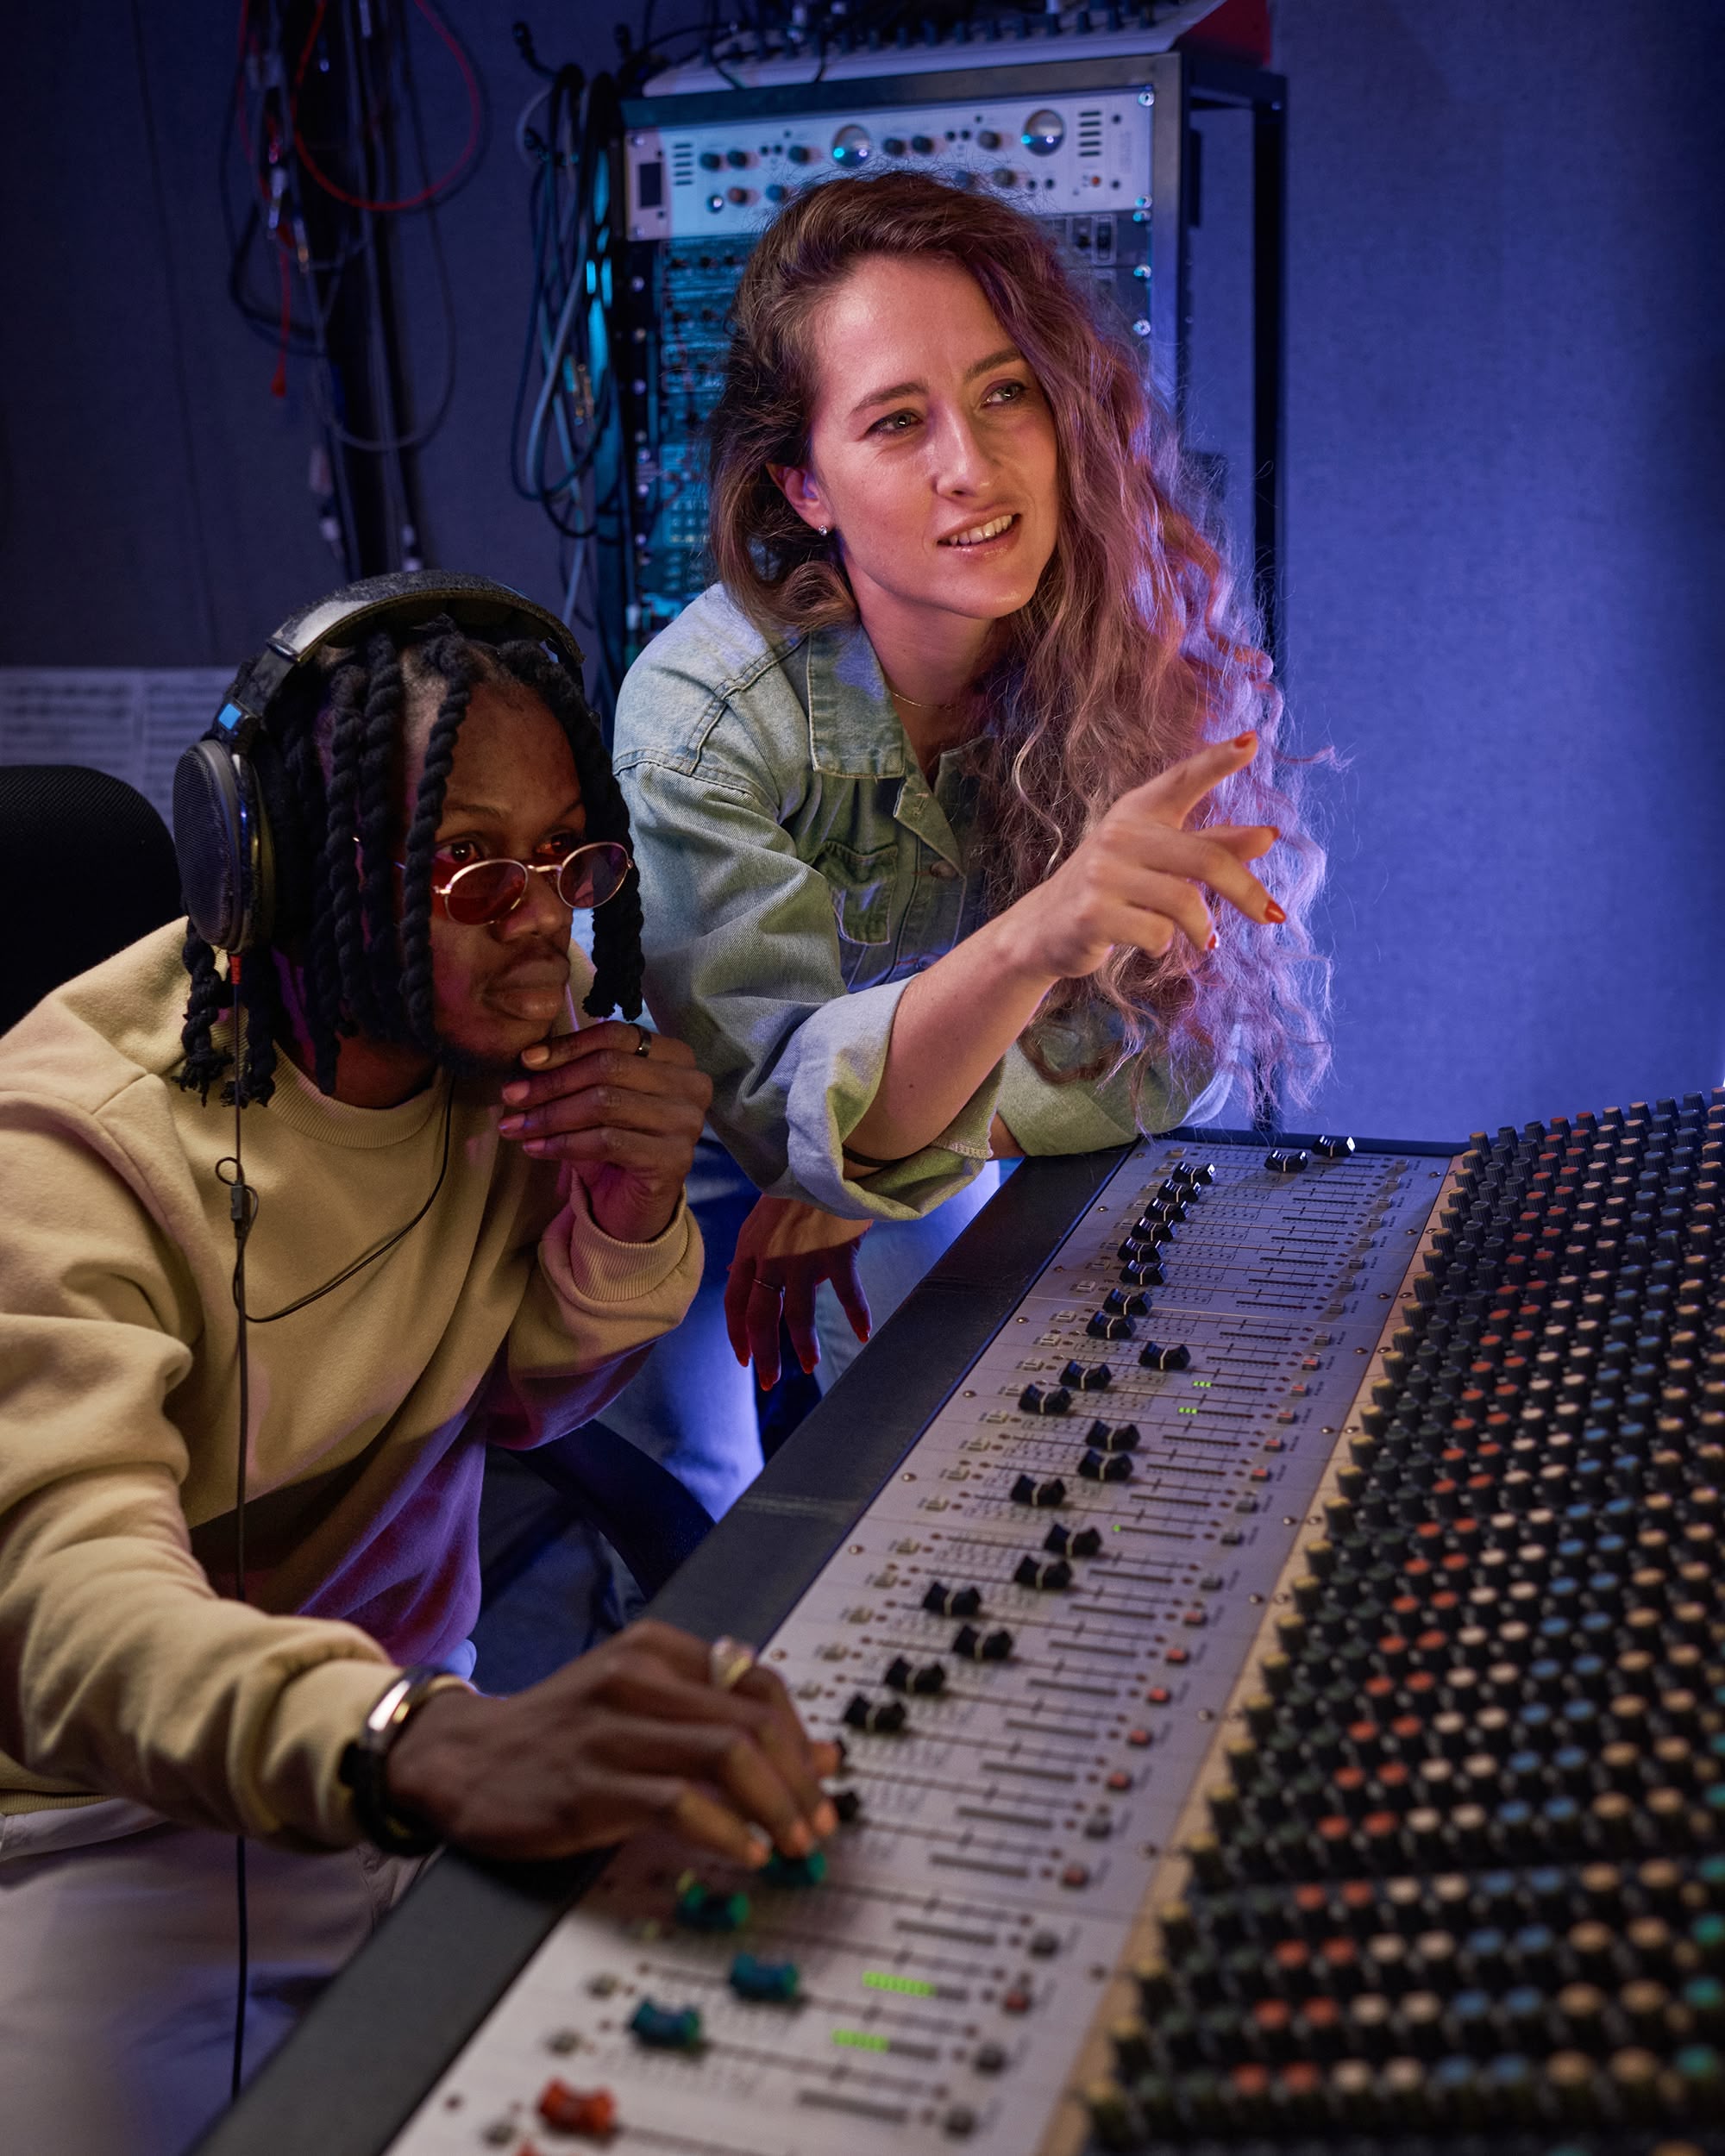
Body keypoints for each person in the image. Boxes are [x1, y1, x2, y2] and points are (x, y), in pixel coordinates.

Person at [0, 586, 838, 2156]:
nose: (542, 921)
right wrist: (422, 1739)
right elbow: (72, 1611)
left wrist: (629, 1208)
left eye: (568, 859)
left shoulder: (503, 1058)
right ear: (277, 865)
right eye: (469, 866)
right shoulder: (66, 1142)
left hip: (409, 1749)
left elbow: (519, 1400)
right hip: (86, 1829)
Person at [591, 171, 1327, 1509]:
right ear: (804, 486)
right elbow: (781, 1117)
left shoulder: (1126, 646)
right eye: (895, 423)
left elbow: (1176, 1056)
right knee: (697, 1485)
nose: (972, 468)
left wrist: (911, 1152)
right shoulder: (701, 716)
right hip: (680, 1131)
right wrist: (1029, 958)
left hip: (941, 1101)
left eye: (1005, 394)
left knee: (969, 1437)